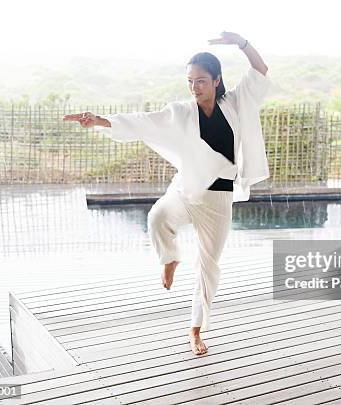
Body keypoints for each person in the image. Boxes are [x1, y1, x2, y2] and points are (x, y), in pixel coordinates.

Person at [63, 31, 270, 355]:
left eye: (201, 80)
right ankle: (170, 257)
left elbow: (260, 71)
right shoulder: (181, 112)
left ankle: (196, 330)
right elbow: (143, 122)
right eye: (190, 81)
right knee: (158, 216)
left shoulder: (236, 103)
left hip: (217, 199)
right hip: (186, 189)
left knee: (208, 266)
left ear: (216, 80)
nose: (194, 87)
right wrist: (99, 121)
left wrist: (242, 43)